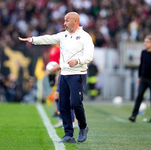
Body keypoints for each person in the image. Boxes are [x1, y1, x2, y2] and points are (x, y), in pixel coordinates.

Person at [18, 12, 94, 143]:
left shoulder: (85, 37)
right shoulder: (63, 35)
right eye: (64, 21)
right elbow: (48, 38)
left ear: (75, 22)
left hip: (78, 74)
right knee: (63, 105)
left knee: (76, 103)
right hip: (64, 74)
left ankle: (83, 127)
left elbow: (89, 56)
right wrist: (32, 40)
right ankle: (68, 134)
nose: (64, 23)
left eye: (67, 21)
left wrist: (78, 60)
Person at [129, 35, 151, 123]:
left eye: (147, 42)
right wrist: (139, 76)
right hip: (144, 78)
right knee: (139, 96)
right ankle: (133, 115)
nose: (145, 44)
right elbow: (141, 65)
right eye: (145, 42)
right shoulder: (143, 52)